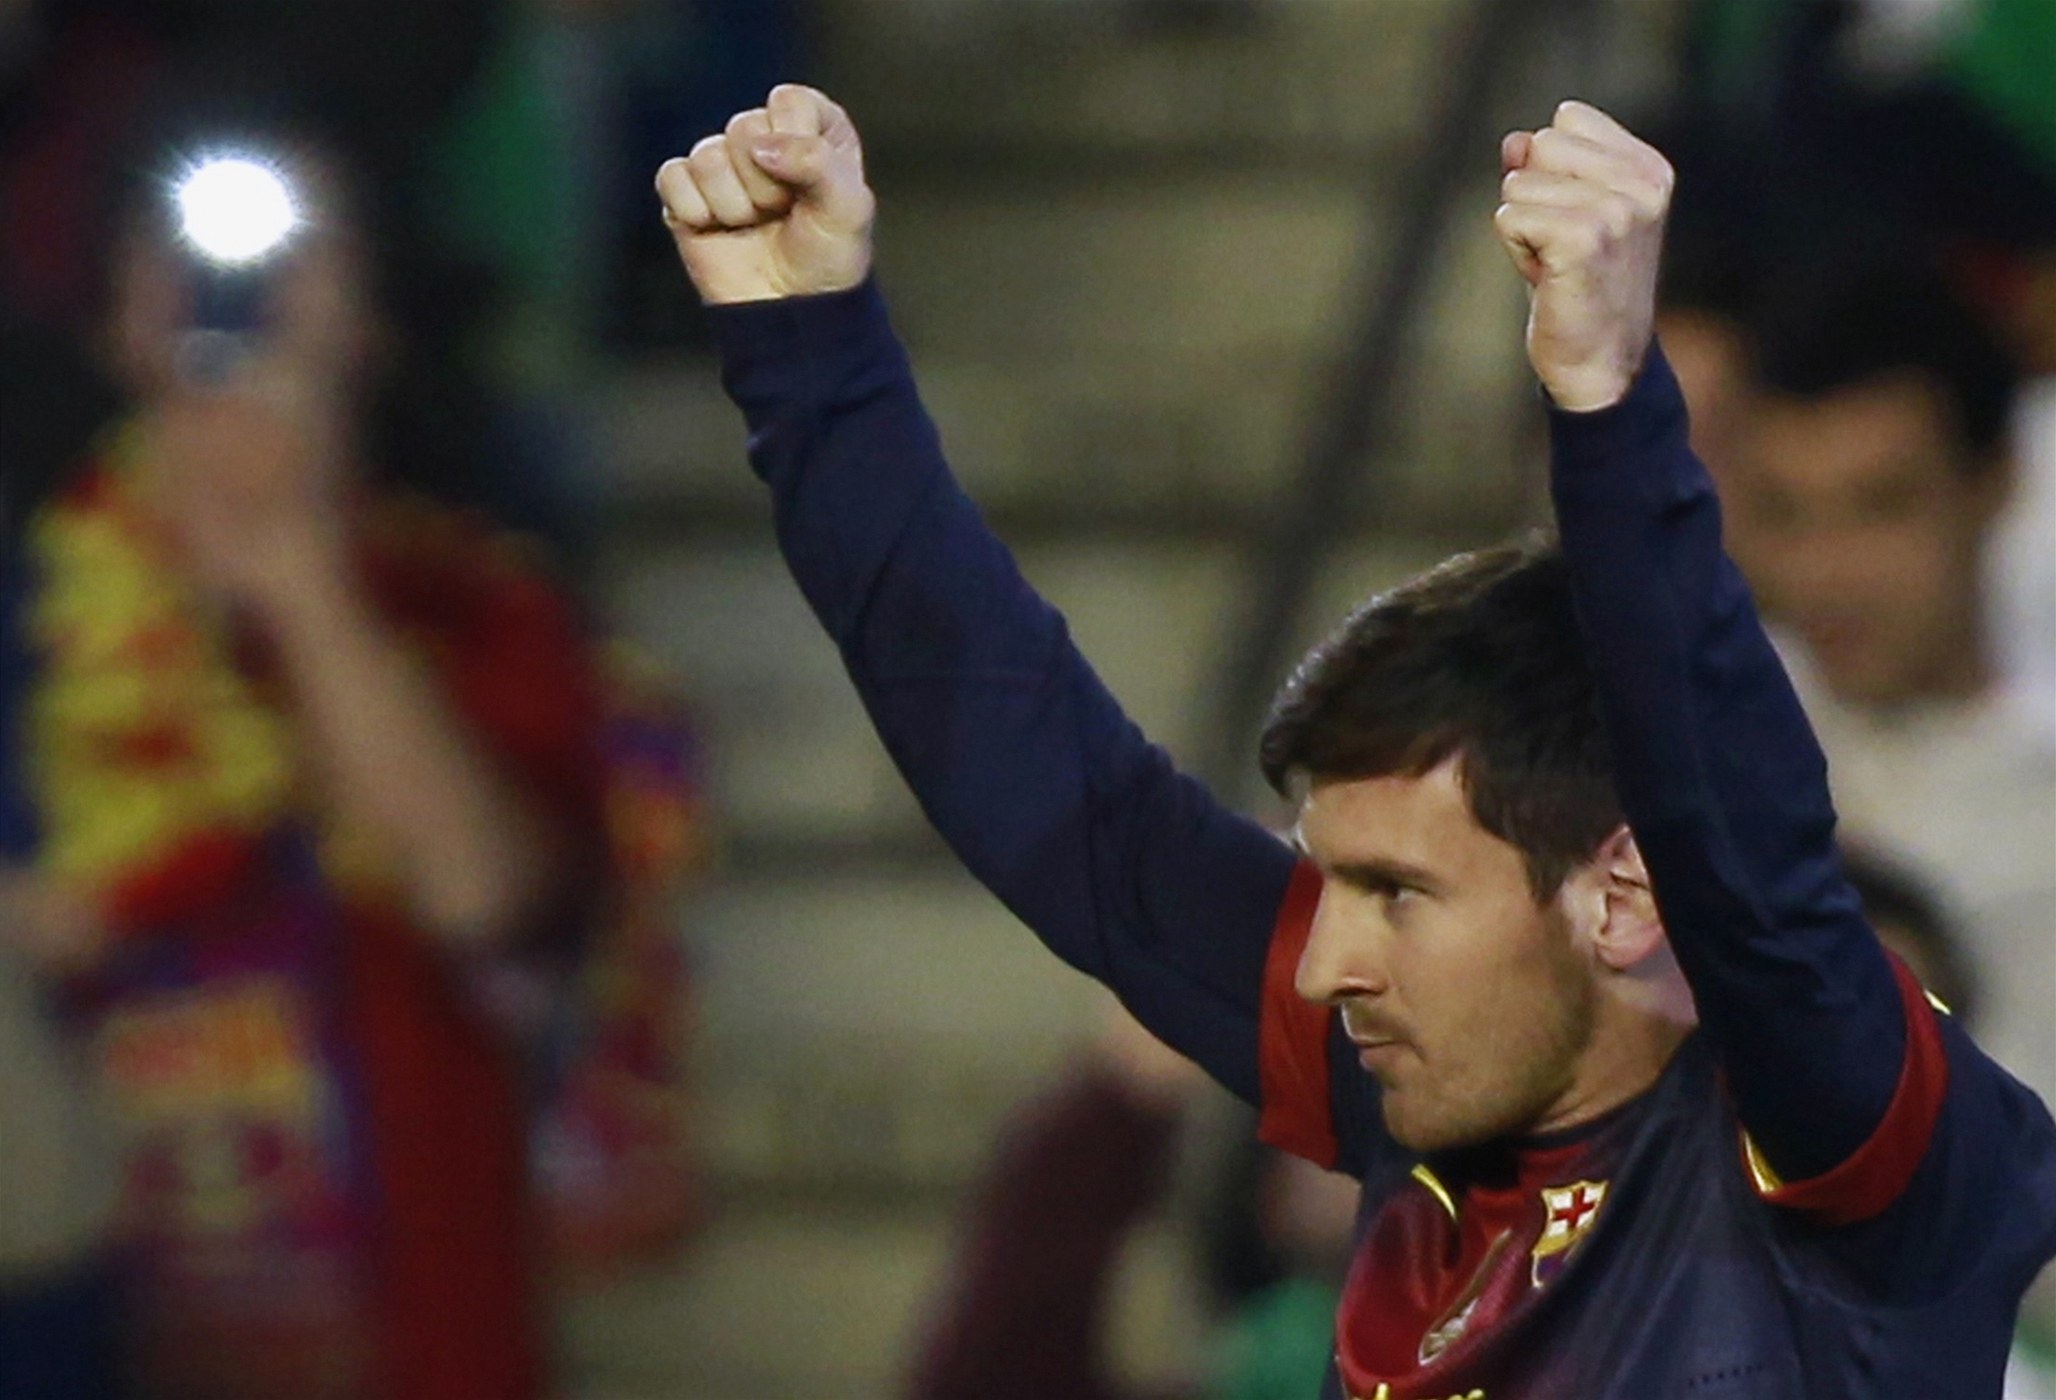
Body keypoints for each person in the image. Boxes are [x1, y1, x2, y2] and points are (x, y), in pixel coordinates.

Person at [656, 86, 2056, 1397]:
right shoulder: (1433, 1092)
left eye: (1395, 892)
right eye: (1336, 881)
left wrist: (1607, 399)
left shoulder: (1845, 1152)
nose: (1327, 962)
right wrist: (809, 353)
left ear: (1623, 890)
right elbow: (1053, 789)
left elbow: (1743, 839)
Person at [0, 127, 610, 1399]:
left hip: (409, 1334)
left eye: (294, 245)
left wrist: (296, 577)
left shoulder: (478, 606)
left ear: (373, 320)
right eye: (176, 248)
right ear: (112, 318)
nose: (237, 283)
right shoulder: (33, 617)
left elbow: (480, 897)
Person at [1718, 252, 2056, 1114]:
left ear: (1996, 481)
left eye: (1882, 505)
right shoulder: (1693, 750)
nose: (1826, 572)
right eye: (1786, 512)